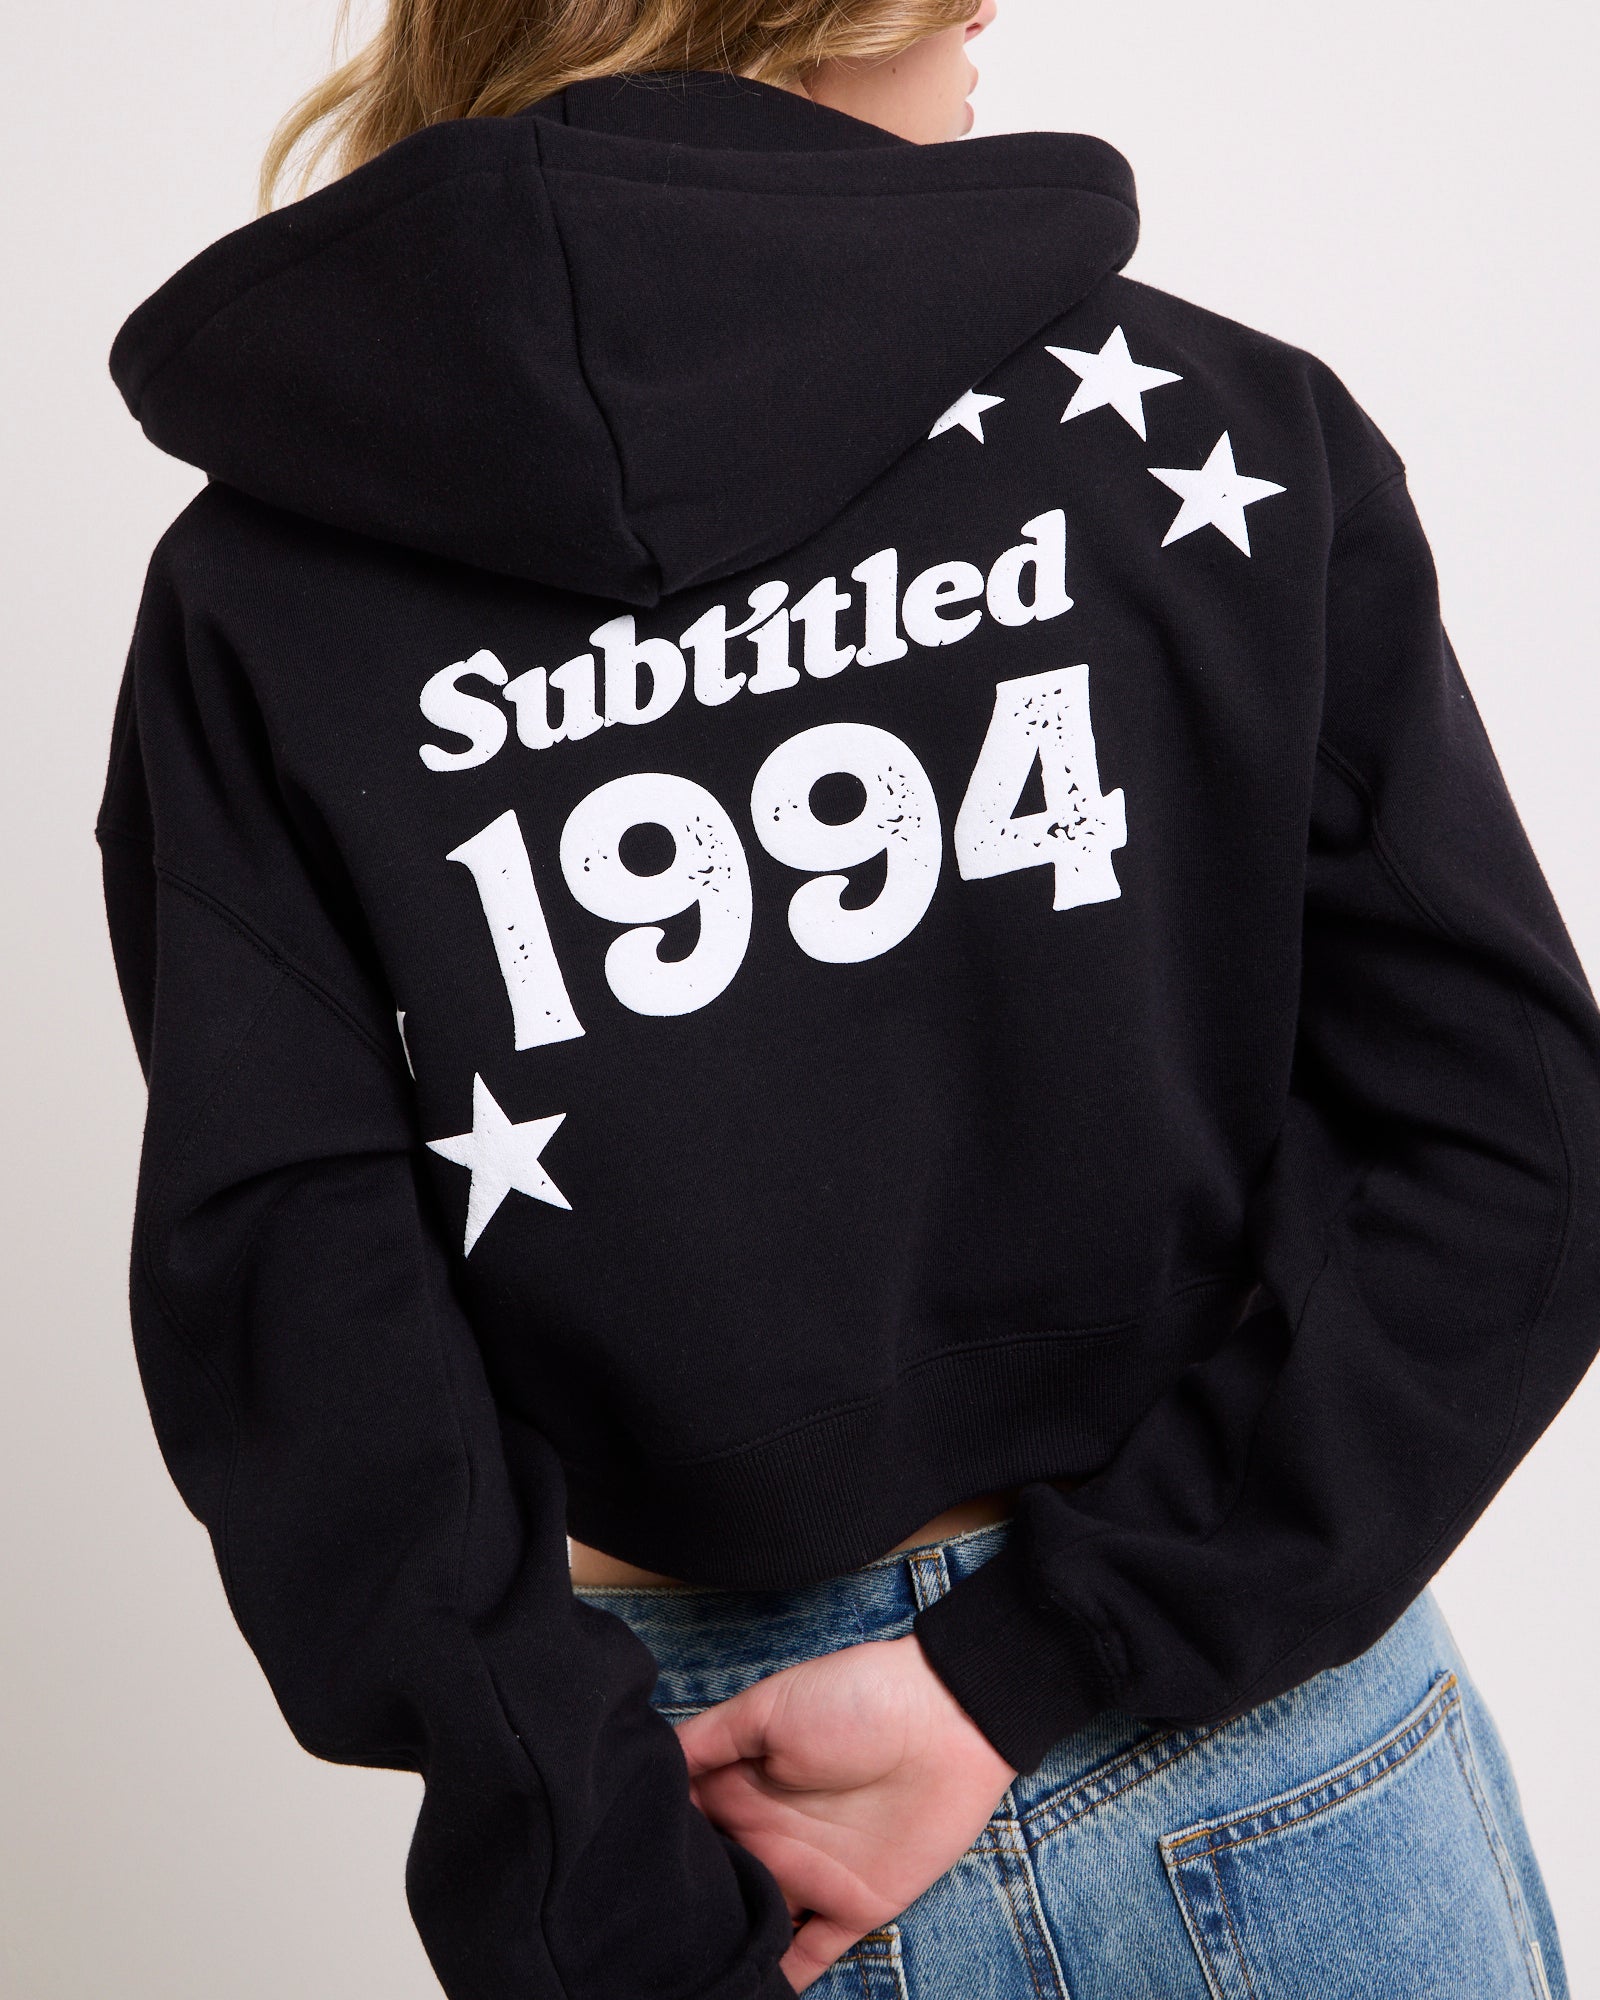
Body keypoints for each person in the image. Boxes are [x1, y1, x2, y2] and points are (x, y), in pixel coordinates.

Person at [97, 0, 1597, 1994]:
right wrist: (1036, 1657)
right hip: (1253, 1727)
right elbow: (1518, 1148)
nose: (986, 5)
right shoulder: (1190, 429)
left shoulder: (261, 585)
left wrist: (591, 1887)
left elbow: (296, 1316)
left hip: (696, 1812)